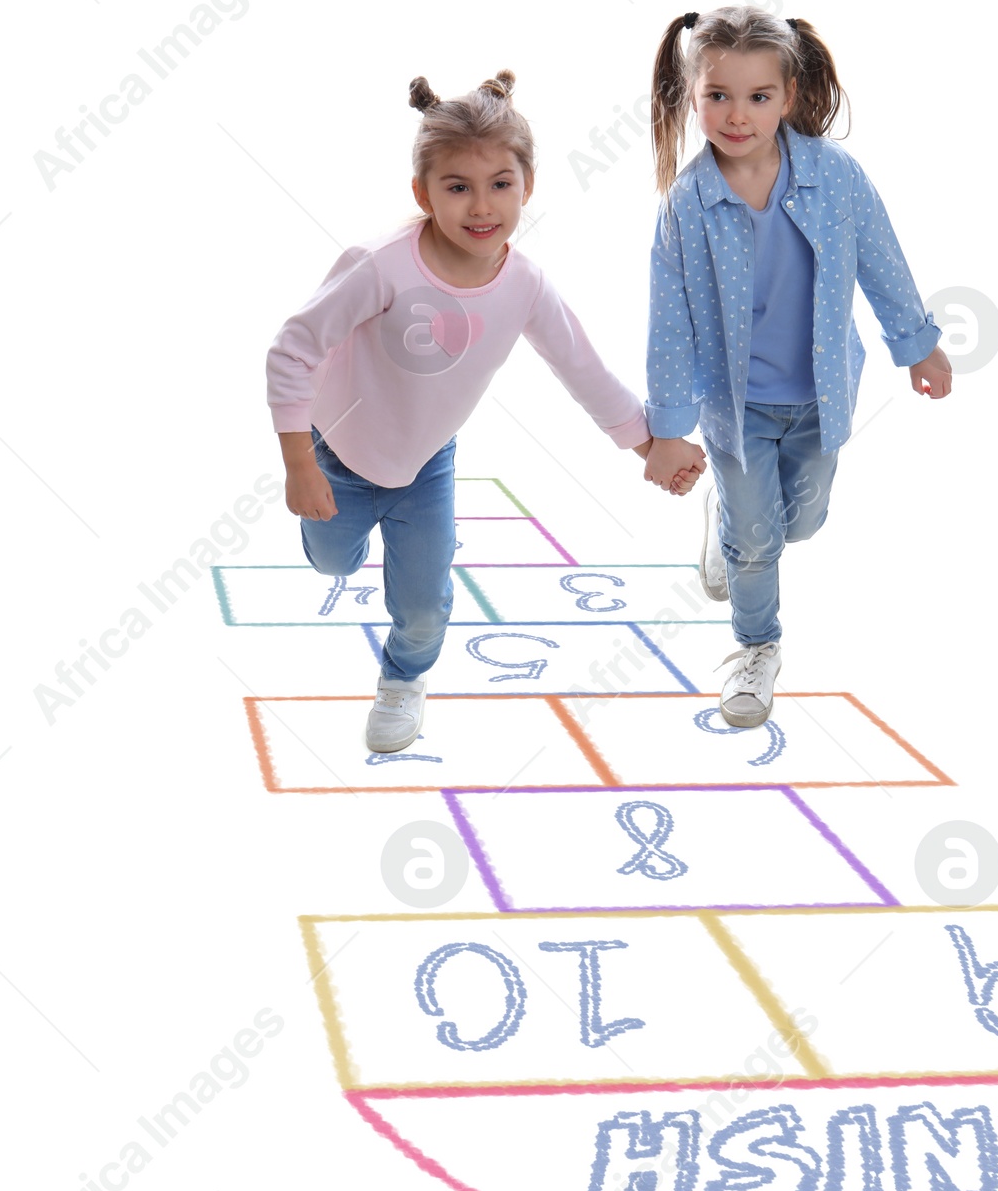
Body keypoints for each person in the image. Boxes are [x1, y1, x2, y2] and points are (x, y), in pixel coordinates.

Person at [266, 70, 703, 753]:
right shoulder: (379, 265)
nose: (481, 206)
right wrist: (299, 465)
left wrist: (651, 447)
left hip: (425, 466)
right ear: (423, 192)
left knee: (421, 602)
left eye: (501, 183)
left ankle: (404, 680)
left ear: (528, 185)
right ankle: (335, 533)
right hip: (338, 453)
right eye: (457, 186)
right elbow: (292, 350)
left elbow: (581, 367)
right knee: (332, 563)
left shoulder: (524, 285)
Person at [639, 9, 952, 727]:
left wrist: (917, 343)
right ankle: (757, 648)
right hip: (734, 408)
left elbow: (882, 261)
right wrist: (669, 428)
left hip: (821, 396)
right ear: (691, 95)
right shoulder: (686, 203)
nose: (736, 115)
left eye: (758, 97)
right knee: (757, 543)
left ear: (787, 95)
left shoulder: (835, 177)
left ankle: (730, 519)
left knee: (799, 525)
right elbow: (669, 321)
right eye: (717, 95)